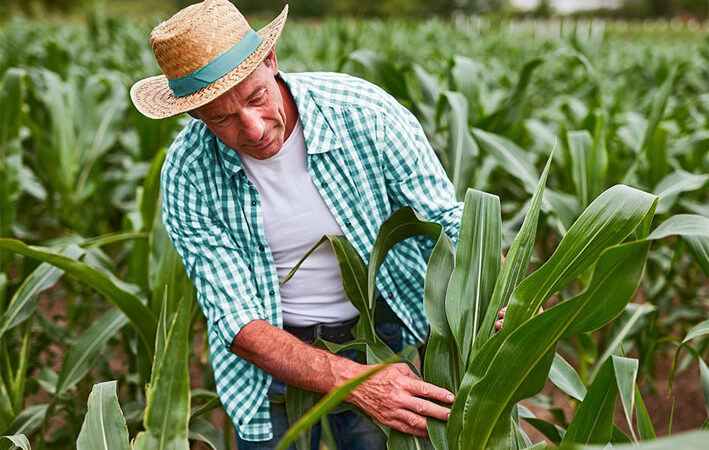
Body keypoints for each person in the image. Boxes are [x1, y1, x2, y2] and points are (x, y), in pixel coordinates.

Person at [131, 1, 503, 448]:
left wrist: (504, 290)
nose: (252, 129)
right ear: (194, 114)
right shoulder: (188, 174)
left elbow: (448, 220)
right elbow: (236, 319)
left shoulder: (363, 115)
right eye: (222, 118)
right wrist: (354, 383)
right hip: (269, 357)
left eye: (256, 98)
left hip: (377, 337)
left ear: (270, 61)